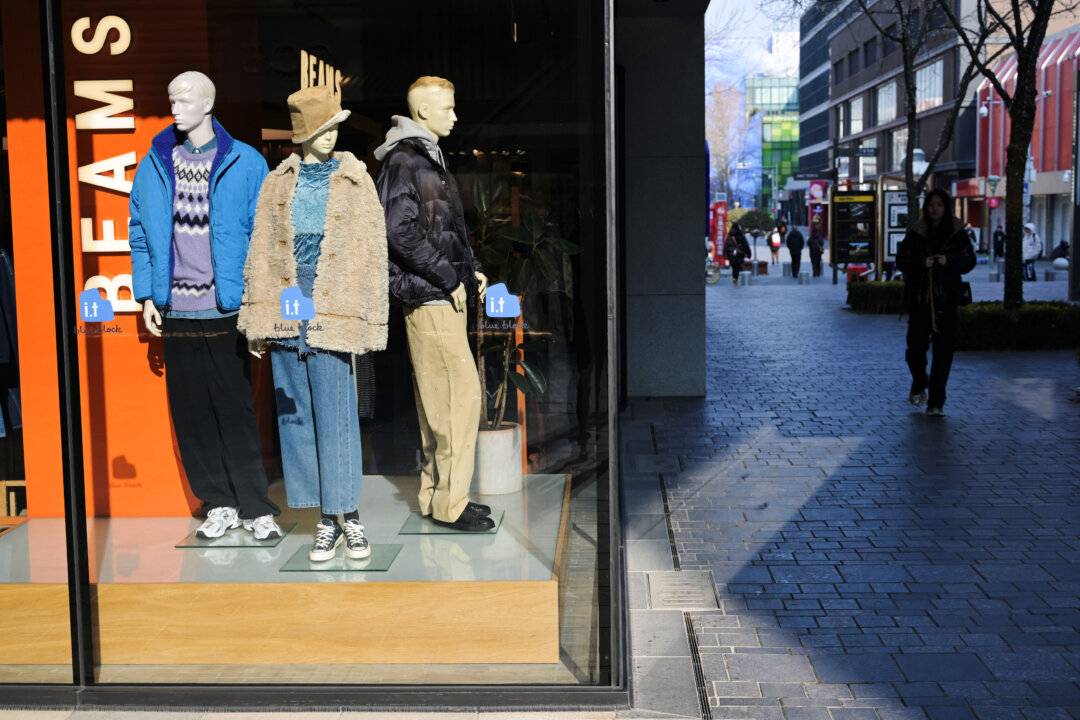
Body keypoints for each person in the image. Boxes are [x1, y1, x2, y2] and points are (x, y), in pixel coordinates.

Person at [128, 71, 282, 541]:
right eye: (171, 99)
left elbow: (267, 240)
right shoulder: (154, 164)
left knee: (236, 409)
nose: (175, 108)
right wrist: (146, 296)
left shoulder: (246, 161)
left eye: (184, 100)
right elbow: (139, 233)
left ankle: (255, 506)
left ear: (208, 104)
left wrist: (261, 307)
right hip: (175, 308)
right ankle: (218, 503)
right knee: (191, 413)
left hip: (226, 307)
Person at [240, 85, 388, 562]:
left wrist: (370, 318)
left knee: (336, 408)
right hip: (288, 295)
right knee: (295, 412)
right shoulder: (277, 182)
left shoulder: (355, 179)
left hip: (333, 295)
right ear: (303, 134)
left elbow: (374, 251)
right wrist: (257, 318)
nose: (330, 136)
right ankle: (326, 519)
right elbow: (261, 249)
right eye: (322, 129)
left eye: (334, 127)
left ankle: (349, 515)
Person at [374, 76, 494, 532]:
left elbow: (443, 228)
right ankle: (451, 505)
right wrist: (448, 276)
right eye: (448, 108)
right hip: (431, 296)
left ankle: (437, 496)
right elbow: (398, 230)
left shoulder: (423, 158)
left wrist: (470, 269)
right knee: (458, 400)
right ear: (423, 112)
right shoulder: (406, 160)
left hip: (438, 294)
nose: (455, 117)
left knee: (440, 401)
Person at [896, 188, 976, 417]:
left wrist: (949, 260)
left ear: (946, 207)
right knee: (915, 349)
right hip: (920, 301)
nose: (935, 209)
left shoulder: (957, 232)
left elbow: (969, 260)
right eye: (932, 204)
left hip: (947, 301)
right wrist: (922, 263)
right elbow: (902, 260)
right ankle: (920, 381)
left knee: (943, 354)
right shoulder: (917, 232)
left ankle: (936, 403)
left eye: (940, 205)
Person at [723, 222, 752, 286]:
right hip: (739, 254)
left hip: (732, 255)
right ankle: (737, 278)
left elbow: (726, 246)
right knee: (738, 267)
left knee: (734, 268)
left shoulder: (729, 236)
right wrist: (749, 253)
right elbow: (745, 245)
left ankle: (735, 279)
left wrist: (726, 256)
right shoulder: (741, 235)